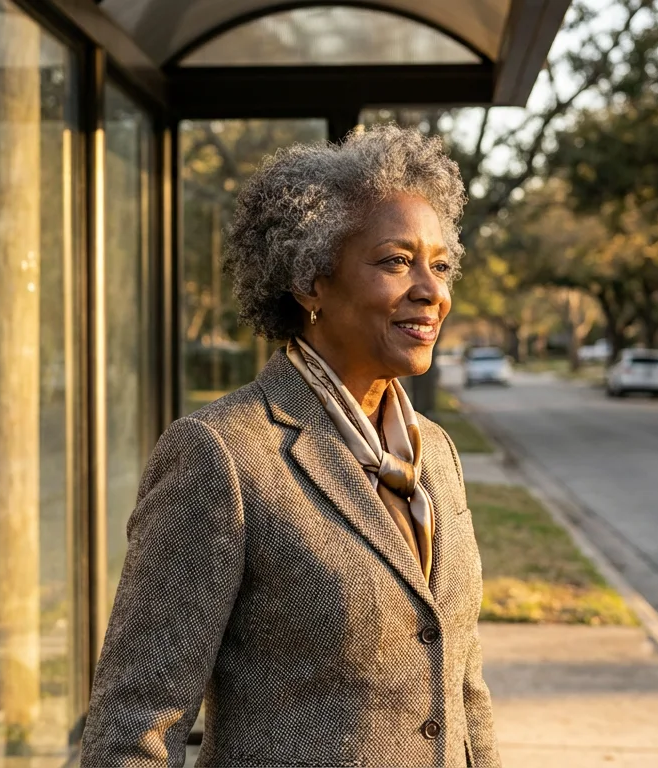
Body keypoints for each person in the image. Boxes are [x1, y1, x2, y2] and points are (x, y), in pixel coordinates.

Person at [81, 125, 499, 767]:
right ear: (312, 281)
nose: (432, 290)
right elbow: (135, 730)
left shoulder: (433, 452)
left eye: (440, 266)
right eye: (396, 261)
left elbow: (464, 688)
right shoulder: (221, 455)